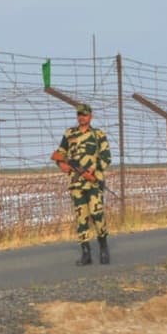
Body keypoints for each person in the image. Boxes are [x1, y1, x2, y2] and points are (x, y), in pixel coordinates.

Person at [52, 103, 112, 265]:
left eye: (84, 115)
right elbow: (60, 153)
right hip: (76, 182)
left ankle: (103, 246)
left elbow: (106, 157)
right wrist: (61, 165)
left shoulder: (98, 135)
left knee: (97, 214)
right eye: (79, 114)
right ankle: (86, 253)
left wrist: (94, 168)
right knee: (81, 217)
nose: (81, 117)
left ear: (90, 116)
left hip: (93, 182)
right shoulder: (69, 133)